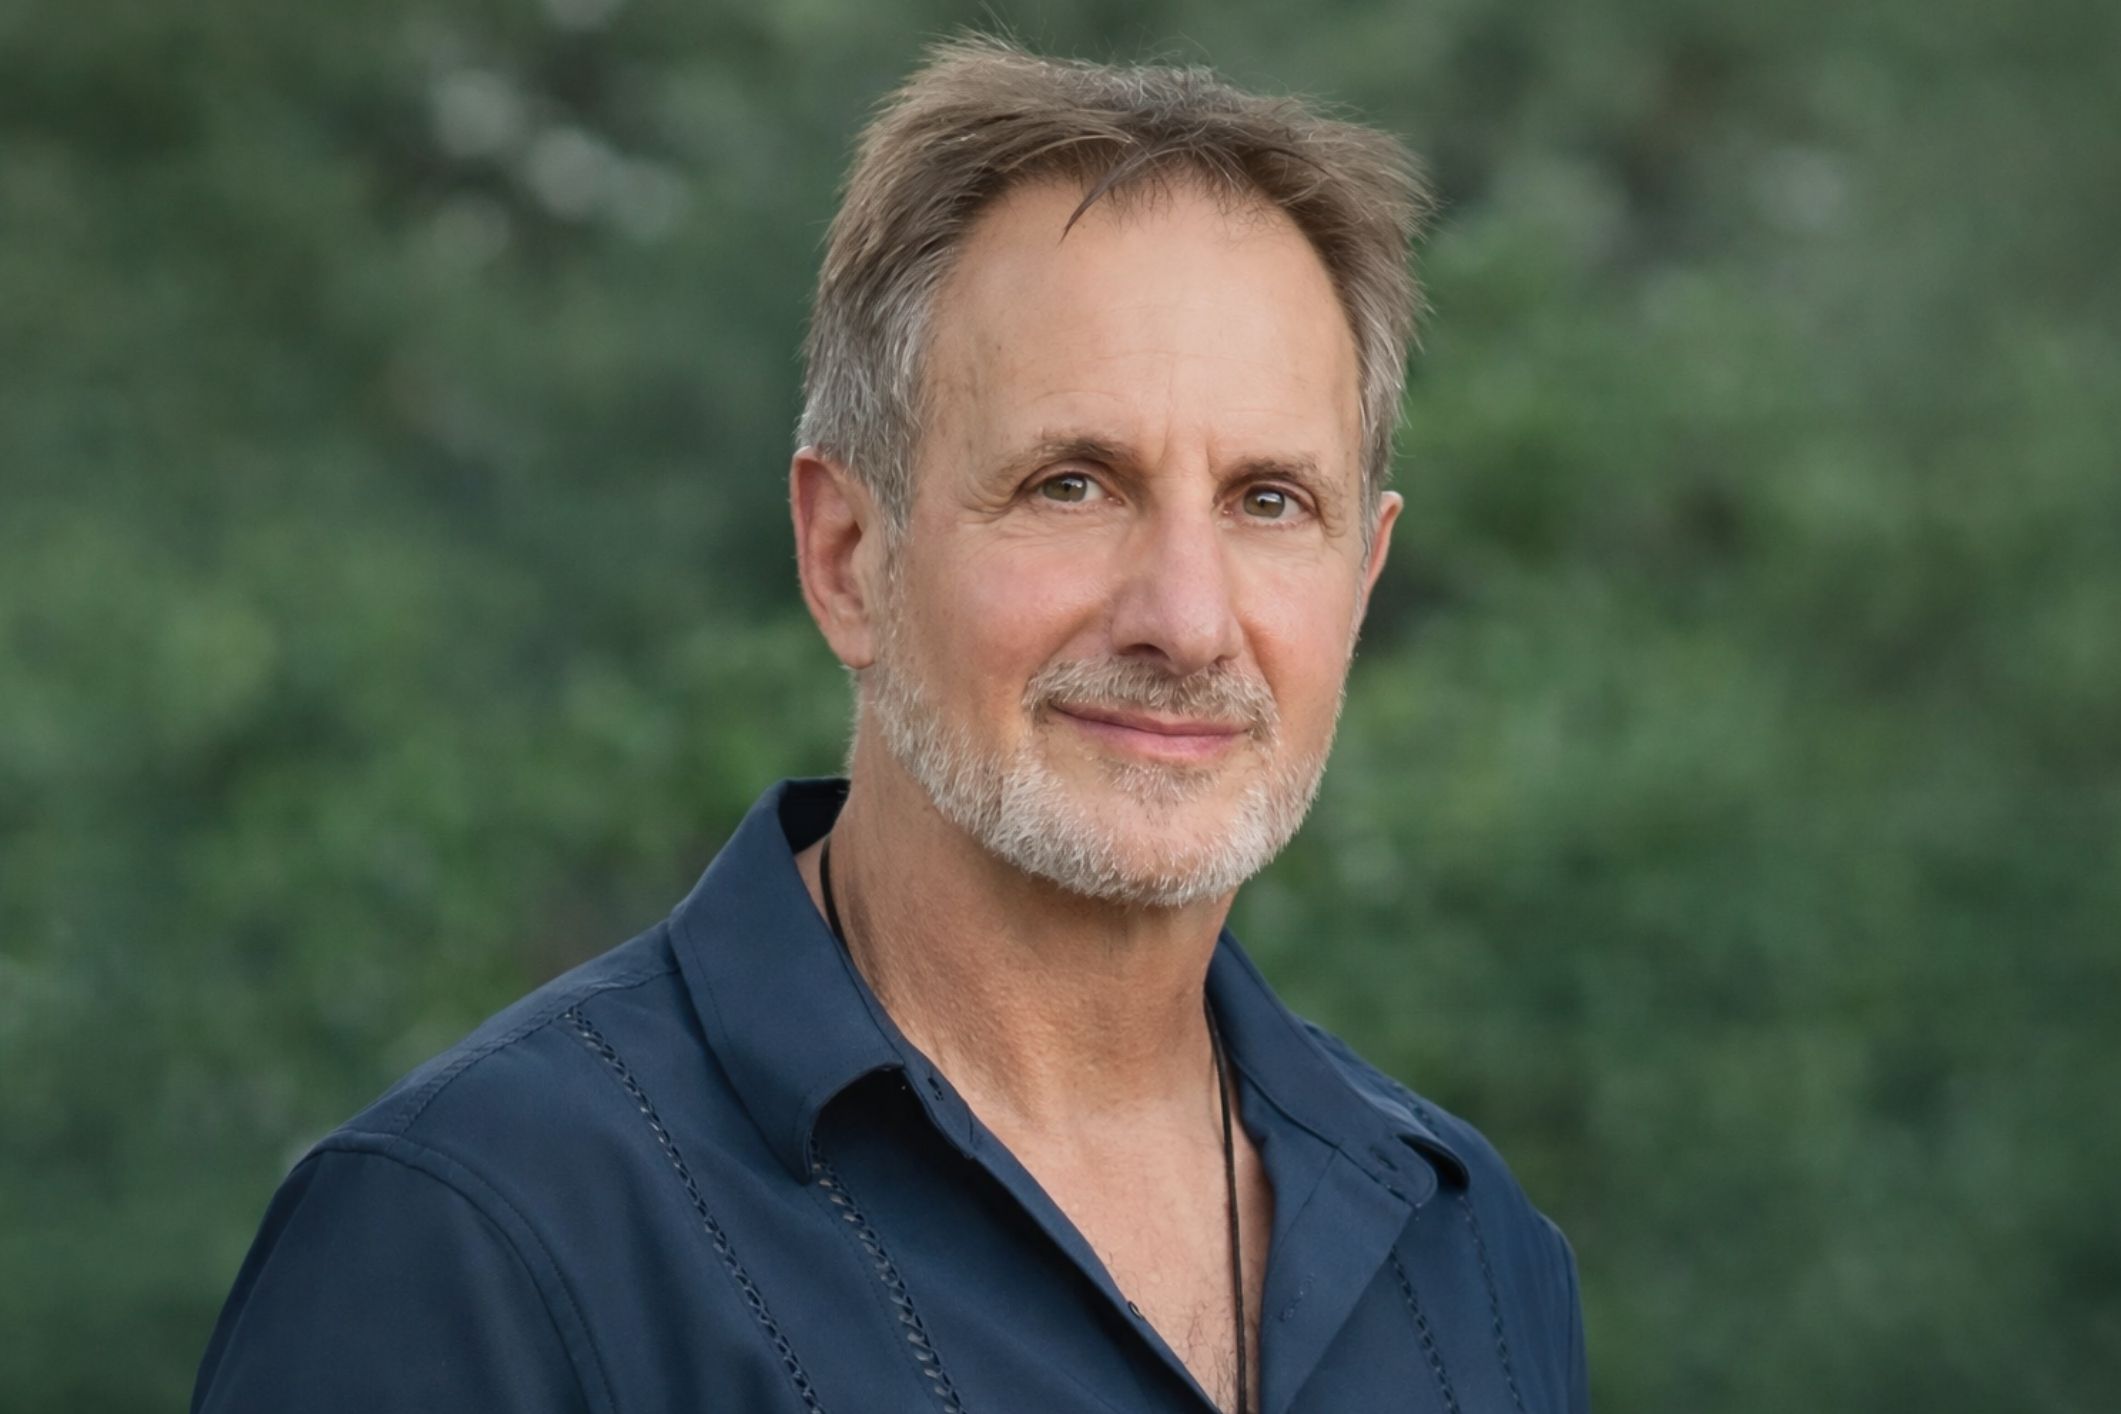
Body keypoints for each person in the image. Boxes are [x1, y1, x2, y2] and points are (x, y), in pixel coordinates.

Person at [193, 34, 1588, 1414]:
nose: (1185, 619)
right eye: (1071, 484)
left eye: (1269, 502)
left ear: (1362, 577)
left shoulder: (1470, 1251)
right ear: (848, 555)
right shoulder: (479, 1238)